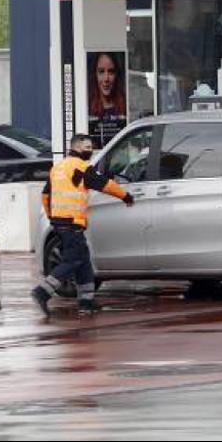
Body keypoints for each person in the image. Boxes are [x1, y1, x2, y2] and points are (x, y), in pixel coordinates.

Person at [31, 133, 134, 317]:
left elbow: (45, 195)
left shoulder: (58, 167)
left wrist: (53, 217)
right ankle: (43, 292)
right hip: (72, 222)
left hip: (60, 221)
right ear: (76, 147)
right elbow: (104, 184)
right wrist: (125, 196)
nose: (90, 151)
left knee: (83, 260)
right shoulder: (80, 167)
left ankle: (86, 301)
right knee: (72, 261)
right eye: (87, 148)